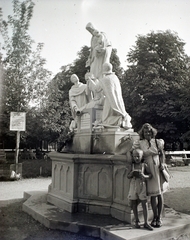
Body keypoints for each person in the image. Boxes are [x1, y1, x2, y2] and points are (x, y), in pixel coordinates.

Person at [134, 123, 166, 228]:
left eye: (149, 131)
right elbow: (134, 153)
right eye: (145, 132)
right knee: (152, 194)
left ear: (152, 132)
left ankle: (159, 218)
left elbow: (162, 154)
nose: (147, 133)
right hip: (149, 169)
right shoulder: (140, 143)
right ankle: (154, 216)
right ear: (142, 133)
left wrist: (162, 163)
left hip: (158, 168)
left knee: (160, 193)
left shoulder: (157, 142)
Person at [89, 62, 132, 128]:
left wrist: (90, 80)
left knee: (105, 120)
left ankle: (119, 119)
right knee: (108, 118)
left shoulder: (104, 79)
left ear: (104, 69)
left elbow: (96, 89)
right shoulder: (115, 78)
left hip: (109, 101)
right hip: (118, 102)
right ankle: (121, 118)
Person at [128, 148, 153, 230]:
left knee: (144, 203)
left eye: (138, 156)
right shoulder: (131, 165)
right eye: (135, 156)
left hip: (142, 184)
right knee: (133, 203)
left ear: (142, 156)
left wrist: (144, 176)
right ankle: (136, 220)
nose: (136, 158)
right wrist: (132, 173)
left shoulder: (144, 165)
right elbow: (128, 176)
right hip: (133, 185)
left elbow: (150, 175)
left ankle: (146, 222)